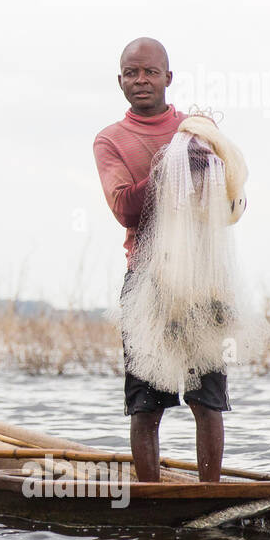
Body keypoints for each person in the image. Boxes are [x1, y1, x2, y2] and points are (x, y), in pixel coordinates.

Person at [92, 38, 228, 483]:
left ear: (168, 78)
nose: (141, 80)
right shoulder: (111, 140)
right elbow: (124, 209)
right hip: (146, 282)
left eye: (150, 72)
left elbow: (230, 200)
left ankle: (210, 496)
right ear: (120, 82)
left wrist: (201, 161)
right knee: (146, 405)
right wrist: (169, 165)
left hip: (202, 279)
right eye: (132, 73)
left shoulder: (195, 128)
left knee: (206, 401)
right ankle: (150, 501)